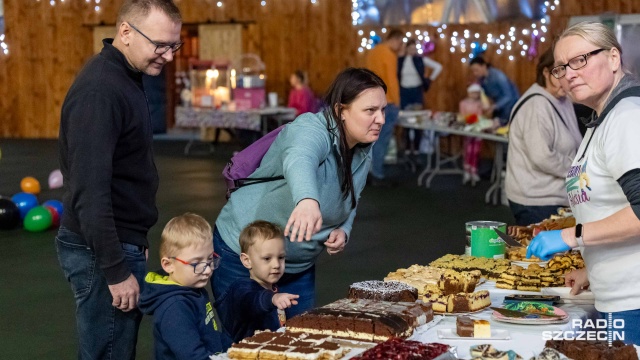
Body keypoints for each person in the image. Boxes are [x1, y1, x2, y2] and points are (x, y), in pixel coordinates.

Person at [55, 1, 182, 358]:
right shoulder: (101, 91)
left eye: (174, 46)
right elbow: (89, 193)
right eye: (160, 45)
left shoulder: (126, 77)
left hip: (119, 242)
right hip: (100, 252)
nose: (169, 56)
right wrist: (115, 269)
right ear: (126, 32)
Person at [212, 67, 386, 319]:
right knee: (243, 348)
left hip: (297, 265)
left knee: (297, 343)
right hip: (242, 256)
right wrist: (306, 200)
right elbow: (299, 158)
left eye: (383, 110)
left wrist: (344, 229)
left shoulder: (362, 148)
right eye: (370, 111)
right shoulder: (310, 128)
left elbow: (352, 196)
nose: (380, 119)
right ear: (340, 111)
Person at [527, 21, 640, 345]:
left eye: (581, 60)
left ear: (614, 58)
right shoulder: (602, 118)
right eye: (562, 67)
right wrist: (594, 270)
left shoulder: (627, 117)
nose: (569, 73)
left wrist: (570, 236)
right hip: (617, 293)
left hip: (633, 301)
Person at [505, 49, 582, 225]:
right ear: (546, 72)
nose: (566, 79)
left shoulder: (563, 100)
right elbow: (542, 157)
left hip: (558, 197)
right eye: (559, 72)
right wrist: (578, 171)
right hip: (537, 200)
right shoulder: (536, 105)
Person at [139, 213, 223, 359]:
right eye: (196, 263)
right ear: (168, 265)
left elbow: (212, 336)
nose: (208, 269)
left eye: (210, 260)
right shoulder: (175, 308)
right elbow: (192, 355)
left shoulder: (194, 289)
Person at [215, 221, 299, 349]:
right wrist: (272, 299)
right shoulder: (241, 289)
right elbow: (252, 300)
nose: (276, 264)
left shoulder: (275, 289)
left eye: (281, 257)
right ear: (247, 261)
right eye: (267, 258)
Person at [365, 29, 403, 186]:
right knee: (383, 138)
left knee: (371, 138)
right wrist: (397, 101)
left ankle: (368, 172)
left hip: (372, 100)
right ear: (395, 39)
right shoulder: (389, 54)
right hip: (388, 101)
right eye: (400, 43)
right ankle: (378, 174)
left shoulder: (372, 53)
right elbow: (391, 81)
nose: (400, 46)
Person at [398, 38, 442, 155]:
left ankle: (416, 149)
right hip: (404, 92)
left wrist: (430, 79)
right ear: (406, 48)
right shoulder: (400, 60)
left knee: (417, 120)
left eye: (414, 48)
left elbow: (438, 67)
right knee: (405, 120)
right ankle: (407, 148)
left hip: (416, 91)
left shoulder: (420, 60)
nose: (412, 50)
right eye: (410, 48)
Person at [469, 56, 519, 125]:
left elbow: (509, 96)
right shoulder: (482, 80)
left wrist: (494, 106)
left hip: (511, 107)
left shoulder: (498, 76)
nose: (475, 73)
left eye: (476, 70)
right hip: (498, 107)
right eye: (473, 71)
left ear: (484, 66)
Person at [458, 83, 486, 186]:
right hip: (468, 129)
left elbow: (481, 114)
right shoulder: (463, 103)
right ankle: (467, 170)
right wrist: (470, 119)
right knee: (468, 150)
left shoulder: (479, 103)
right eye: (473, 93)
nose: (475, 95)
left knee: (476, 151)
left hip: (477, 129)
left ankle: (474, 170)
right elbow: (463, 116)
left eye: (477, 93)